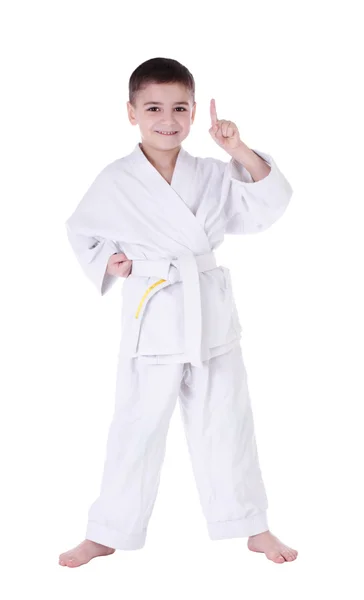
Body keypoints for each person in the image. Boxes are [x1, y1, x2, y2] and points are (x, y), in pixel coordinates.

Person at [59, 57, 298, 568]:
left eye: (179, 108)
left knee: (228, 420)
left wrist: (238, 149)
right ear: (131, 113)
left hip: (209, 315)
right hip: (154, 314)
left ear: (193, 113)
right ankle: (108, 531)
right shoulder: (116, 179)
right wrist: (110, 261)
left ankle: (250, 525)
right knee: (136, 426)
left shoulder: (214, 173)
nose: (167, 119)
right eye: (153, 108)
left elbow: (268, 205)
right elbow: (82, 230)